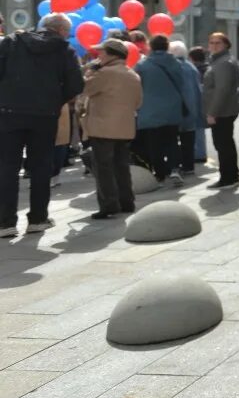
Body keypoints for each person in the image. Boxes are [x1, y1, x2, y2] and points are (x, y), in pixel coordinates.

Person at [0, 13, 84, 236]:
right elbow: (76, 84)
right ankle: (37, 219)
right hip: (45, 116)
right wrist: (55, 100)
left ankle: (5, 222)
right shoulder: (65, 50)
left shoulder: (11, 42)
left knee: (7, 168)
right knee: (41, 167)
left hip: (9, 113)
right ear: (62, 31)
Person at [80, 39, 143, 219]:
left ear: (112, 55)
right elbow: (138, 103)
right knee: (122, 166)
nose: (98, 55)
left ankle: (109, 205)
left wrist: (90, 70)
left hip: (102, 127)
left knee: (103, 168)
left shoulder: (104, 73)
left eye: (102, 52)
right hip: (124, 128)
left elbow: (86, 88)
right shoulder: (133, 74)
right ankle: (127, 201)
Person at [134, 35, 187, 187]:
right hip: (172, 109)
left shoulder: (142, 65)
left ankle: (160, 173)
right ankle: (175, 169)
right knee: (172, 141)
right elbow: (181, 83)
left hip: (150, 110)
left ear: (151, 46)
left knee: (154, 144)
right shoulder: (176, 63)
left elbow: (138, 86)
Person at [203, 32, 239, 189]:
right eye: (211, 42)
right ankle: (231, 176)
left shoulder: (224, 63)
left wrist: (213, 112)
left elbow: (222, 89)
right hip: (223, 110)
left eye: (218, 43)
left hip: (222, 111)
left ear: (226, 44)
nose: (214, 45)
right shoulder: (219, 60)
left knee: (223, 145)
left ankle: (228, 178)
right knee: (225, 144)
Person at [169, 41, 204, 176]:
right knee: (188, 140)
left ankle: (176, 165)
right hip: (191, 109)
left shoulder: (173, 67)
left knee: (173, 140)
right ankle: (189, 166)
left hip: (177, 109)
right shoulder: (191, 67)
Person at [188, 46, 209, 163]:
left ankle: (198, 154)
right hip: (206, 103)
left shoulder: (193, 70)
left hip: (196, 102)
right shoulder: (208, 69)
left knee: (196, 129)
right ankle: (201, 153)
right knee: (200, 130)